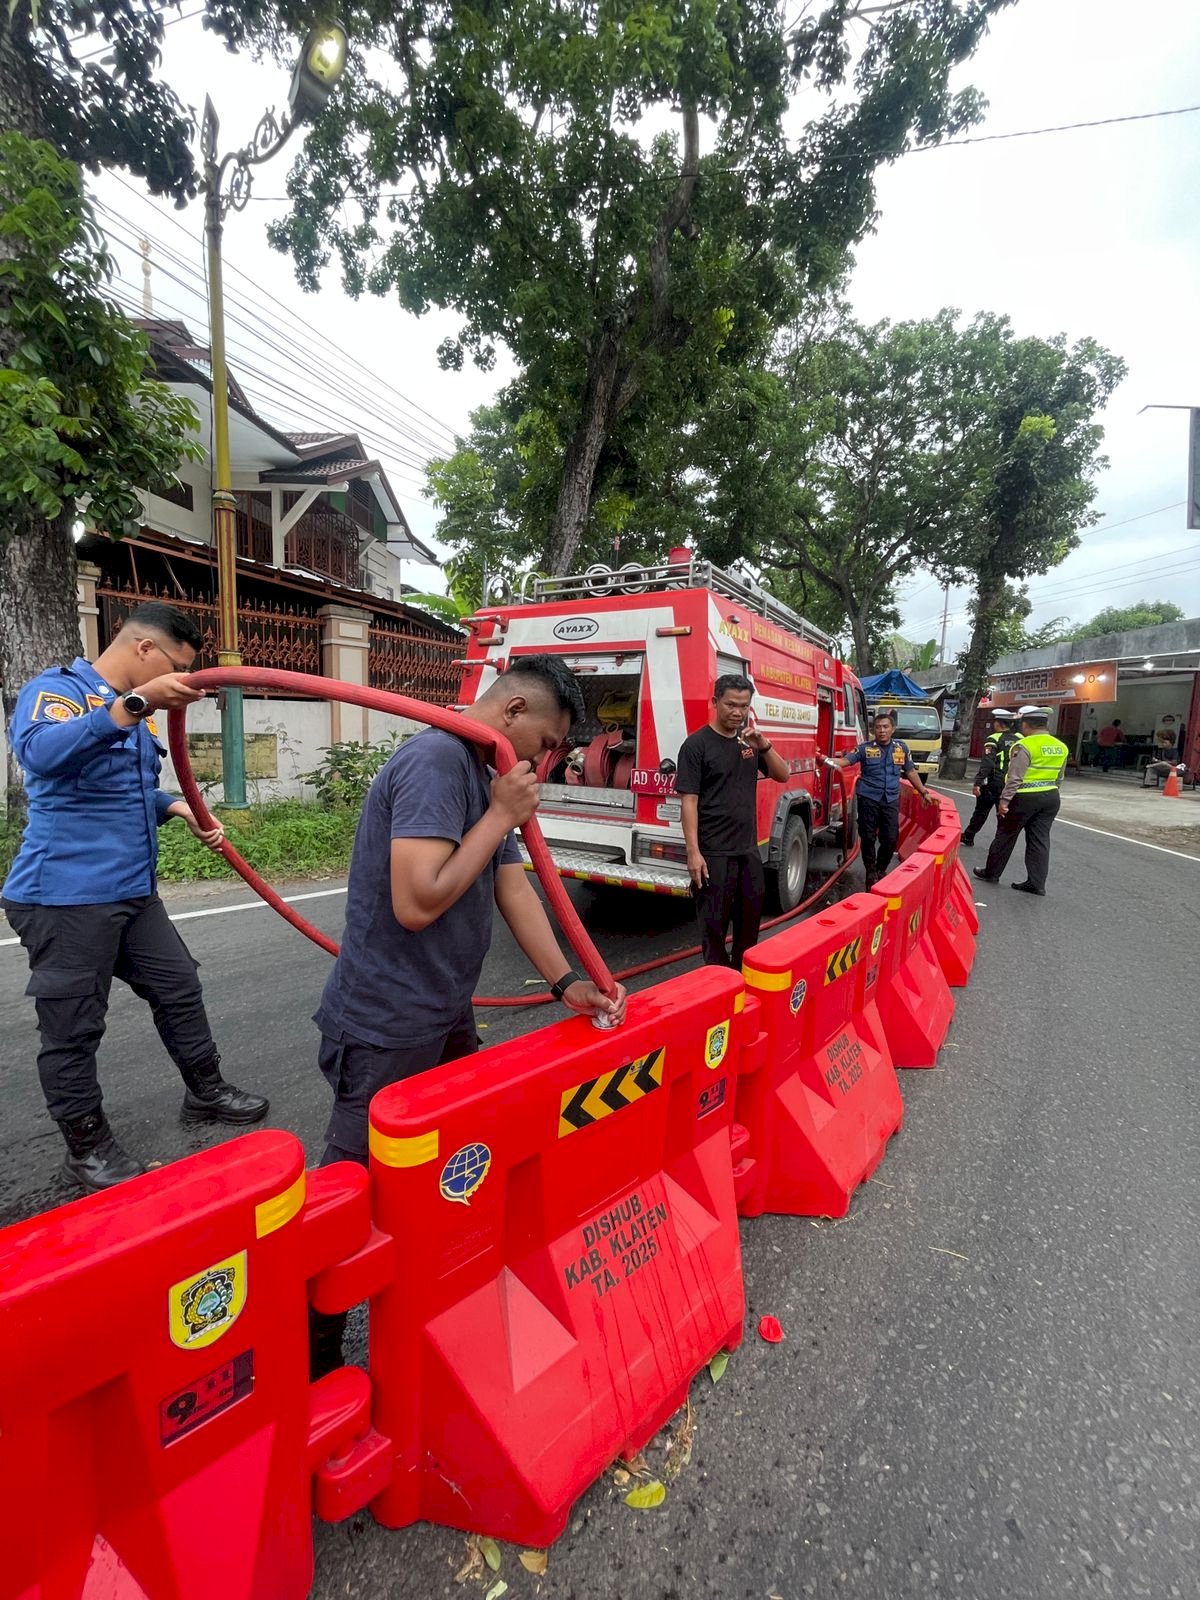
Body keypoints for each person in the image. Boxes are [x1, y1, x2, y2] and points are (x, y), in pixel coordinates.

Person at [309, 652, 627, 1376]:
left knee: (451, 1161)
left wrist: (565, 982)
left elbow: (511, 887)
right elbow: (417, 901)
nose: (545, 762)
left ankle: (427, 1304)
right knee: (352, 1190)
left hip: (445, 1012)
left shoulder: (484, 773)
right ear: (514, 711)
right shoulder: (436, 761)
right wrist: (504, 813)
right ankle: (315, 1351)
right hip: (386, 1021)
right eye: (547, 743)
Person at [1, 602, 268, 1193]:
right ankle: (87, 1148)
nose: (181, 680)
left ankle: (206, 1091)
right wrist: (137, 703)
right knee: (73, 1026)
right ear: (145, 649)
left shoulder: (130, 711)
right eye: (176, 666)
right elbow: (41, 756)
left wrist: (177, 807)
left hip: (132, 892)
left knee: (179, 986)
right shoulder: (60, 692)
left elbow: (125, 791)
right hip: (65, 897)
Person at [676, 674, 789, 968]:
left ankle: (742, 982)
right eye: (730, 705)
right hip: (714, 855)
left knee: (748, 930)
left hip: (748, 853)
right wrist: (693, 852)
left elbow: (783, 775)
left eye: (743, 706)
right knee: (713, 933)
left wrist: (764, 744)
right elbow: (689, 801)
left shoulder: (748, 743)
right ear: (715, 702)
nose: (737, 712)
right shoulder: (696, 745)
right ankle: (718, 985)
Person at [822, 711, 938, 889]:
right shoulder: (864, 748)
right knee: (868, 837)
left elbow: (910, 771)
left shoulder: (901, 748)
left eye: (885, 727)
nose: (882, 730)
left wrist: (923, 792)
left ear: (893, 729)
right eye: (878, 727)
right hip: (868, 798)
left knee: (891, 838)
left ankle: (880, 869)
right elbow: (845, 761)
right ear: (873, 730)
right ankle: (871, 872)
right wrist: (823, 759)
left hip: (890, 799)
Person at [973, 706, 1069, 896]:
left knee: (1005, 835)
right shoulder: (1061, 746)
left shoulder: (1025, 745)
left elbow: (1015, 777)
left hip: (1024, 797)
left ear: (1026, 724)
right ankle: (1036, 883)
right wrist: (1050, 791)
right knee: (1040, 840)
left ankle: (991, 872)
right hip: (1051, 797)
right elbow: (1060, 777)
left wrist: (1004, 801)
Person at [961, 708, 1019, 846]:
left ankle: (969, 836)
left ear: (998, 723)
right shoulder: (1020, 739)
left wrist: (978, 782)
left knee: (981, 810)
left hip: (994, 782)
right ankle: (1001, 843)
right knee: (1003, 814)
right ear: (1011, 724)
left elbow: (988, 763)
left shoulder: (993, 739)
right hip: (1012, 782)